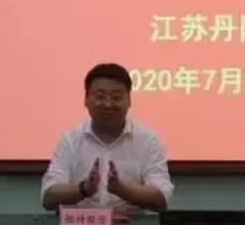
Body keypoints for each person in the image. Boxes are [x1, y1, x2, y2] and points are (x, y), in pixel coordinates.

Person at [41, 63, 174, 213]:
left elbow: (160, 198)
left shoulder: (147, 140)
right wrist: (84, 189)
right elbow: (49, 197)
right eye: (100, 96)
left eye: (116, 97)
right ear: (86, 99)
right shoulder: (70, 139)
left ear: (129, 100)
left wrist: (121, 189)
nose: (108, 104)